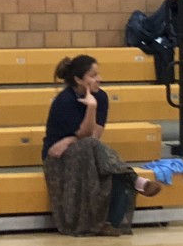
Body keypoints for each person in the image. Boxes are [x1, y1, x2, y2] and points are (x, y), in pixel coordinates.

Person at [41, 55, 162, 236]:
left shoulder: (102, 97)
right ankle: (135, 179)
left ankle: (110, 223)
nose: (100, 79)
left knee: (111, 171)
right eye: (93, 75)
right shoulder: (64, 101)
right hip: (59, 158)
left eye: (98, 74)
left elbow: (95, 136)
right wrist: (90, 108)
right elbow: (85, 136)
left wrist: (69, 139)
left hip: (87, 151)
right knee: (96, 151)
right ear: (78, 80)